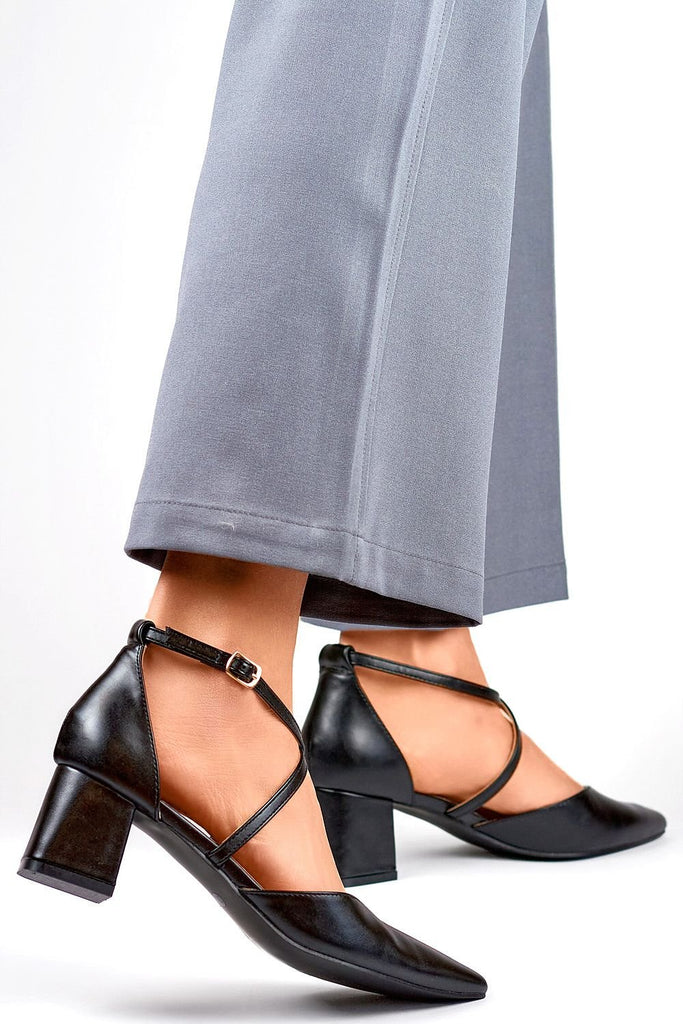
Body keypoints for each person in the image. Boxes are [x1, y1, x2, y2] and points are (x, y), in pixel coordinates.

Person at [17, 0, 665, 1003]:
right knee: (375, 27)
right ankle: (203, 663)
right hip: (199, 671)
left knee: (473, 51)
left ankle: (410, 659)